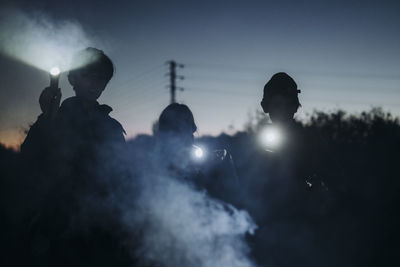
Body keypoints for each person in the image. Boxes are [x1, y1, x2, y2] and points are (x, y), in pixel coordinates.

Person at [18, 48, 131, 267]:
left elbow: (121, 173)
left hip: (100, 220)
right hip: (58, 219)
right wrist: (46, 118)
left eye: (101, 78)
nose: (95, 83)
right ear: (72, 78)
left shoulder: (112, 127)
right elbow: (30, 158)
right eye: (89, 74)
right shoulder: (56, 117)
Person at [154, 103, 238, 204]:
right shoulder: (155, 165)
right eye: (182, 129)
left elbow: (225, 198)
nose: (191, 136)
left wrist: (223, 170)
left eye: (191, 131)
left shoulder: (197, 156)